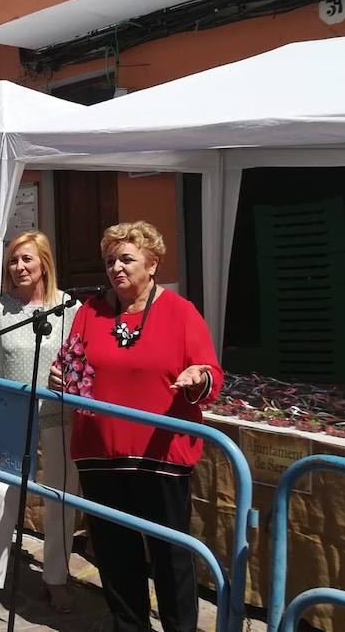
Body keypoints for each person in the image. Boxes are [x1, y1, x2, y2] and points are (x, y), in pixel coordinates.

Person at [49, 221, 223, 632]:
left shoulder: (181, 313)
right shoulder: (90, 311)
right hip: (99, 452)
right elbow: (72, 365)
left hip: (160, 454)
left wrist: (197, 378)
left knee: (170, 555)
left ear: (153, 263)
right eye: (110, 260)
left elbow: (211, 373)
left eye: (126, 258)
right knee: (114, 552)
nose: (116, 268)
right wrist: (61, 377)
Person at [0, 230, 80, 621]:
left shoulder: (68, 308)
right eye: (13, 260)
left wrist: (70, 378)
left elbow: (79, 358)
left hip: (58, 413)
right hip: (10, 412)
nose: (18, 267)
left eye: (26, 259)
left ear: (44, 262)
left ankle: (56, 576)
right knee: (1, 496)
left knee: (60, 496)